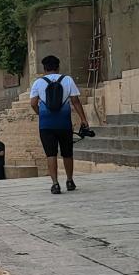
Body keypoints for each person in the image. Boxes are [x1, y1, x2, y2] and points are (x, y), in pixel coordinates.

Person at [30, 55, 89, 195]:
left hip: (46, 124)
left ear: (44, 69)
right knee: (67, 152)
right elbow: (75, 101)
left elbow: (33, 103)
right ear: (58, 67)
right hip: (64, 123)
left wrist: (41, 113)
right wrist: (83, 119)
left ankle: (55, 183)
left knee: (51, 154)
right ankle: (69, 180)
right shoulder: (67, 80)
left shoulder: (38, 83)